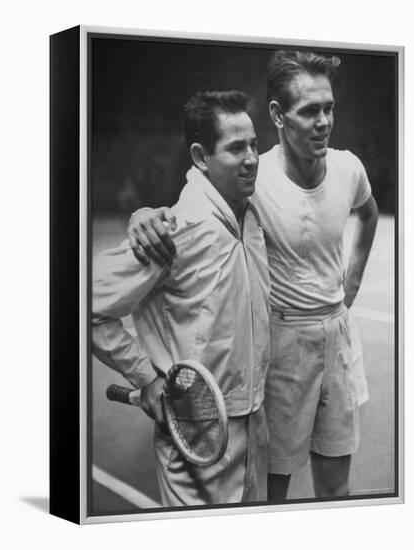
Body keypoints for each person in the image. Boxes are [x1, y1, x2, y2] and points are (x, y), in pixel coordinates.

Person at [127, 51, 379, 503]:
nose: (323, 121)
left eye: (329, 108)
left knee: (337, 487)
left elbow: (368, 211)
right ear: (278, 116)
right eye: (309, 110)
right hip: (283, 348)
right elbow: (190, 207)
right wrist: (145, 214)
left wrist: (352, 282)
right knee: (271, 494)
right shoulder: (252, 175)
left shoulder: (349, 168)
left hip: (338, 336)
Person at [92, 90, 271, 507]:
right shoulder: (175, 230)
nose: (251, 159)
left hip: (253, 429)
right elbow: (86, 303)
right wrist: (147, 379)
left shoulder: (252, 212)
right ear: (200, 155)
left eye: (254, 145)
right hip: (196, 438)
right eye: (235, 148)